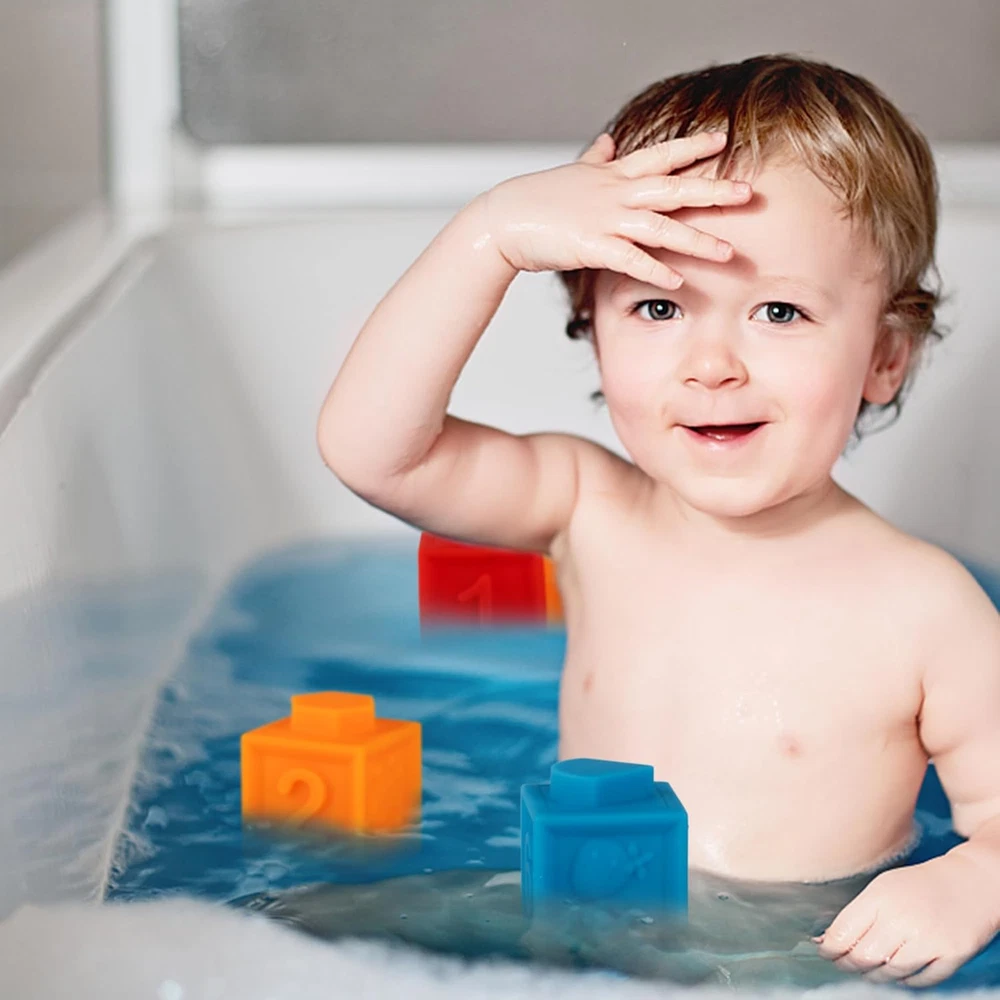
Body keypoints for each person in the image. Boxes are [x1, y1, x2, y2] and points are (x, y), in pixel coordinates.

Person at [317, 54, 1000, 986]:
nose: (711, 365)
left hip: (785, 956)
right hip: (566, 927)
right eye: (657, 305)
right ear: (592, 323)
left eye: (779, 310)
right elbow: (371, 450)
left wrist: (973, 878)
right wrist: (489, 236)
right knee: (293, 931)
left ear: (885, 356)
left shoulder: (927, 609)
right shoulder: (586, 506)